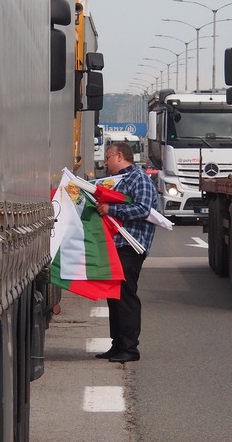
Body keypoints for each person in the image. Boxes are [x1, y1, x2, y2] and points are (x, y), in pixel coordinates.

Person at [94, 142, 158, 363]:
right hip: (117, 245)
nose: (105, 162)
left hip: (132, 245)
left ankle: (130, 348)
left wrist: (112, 209)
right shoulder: (118, 181)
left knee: (125, 294)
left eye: (108, 157)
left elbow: (143, 208)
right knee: (114, 295)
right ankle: (118, 344)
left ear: (120, 156)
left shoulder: (139, 179)